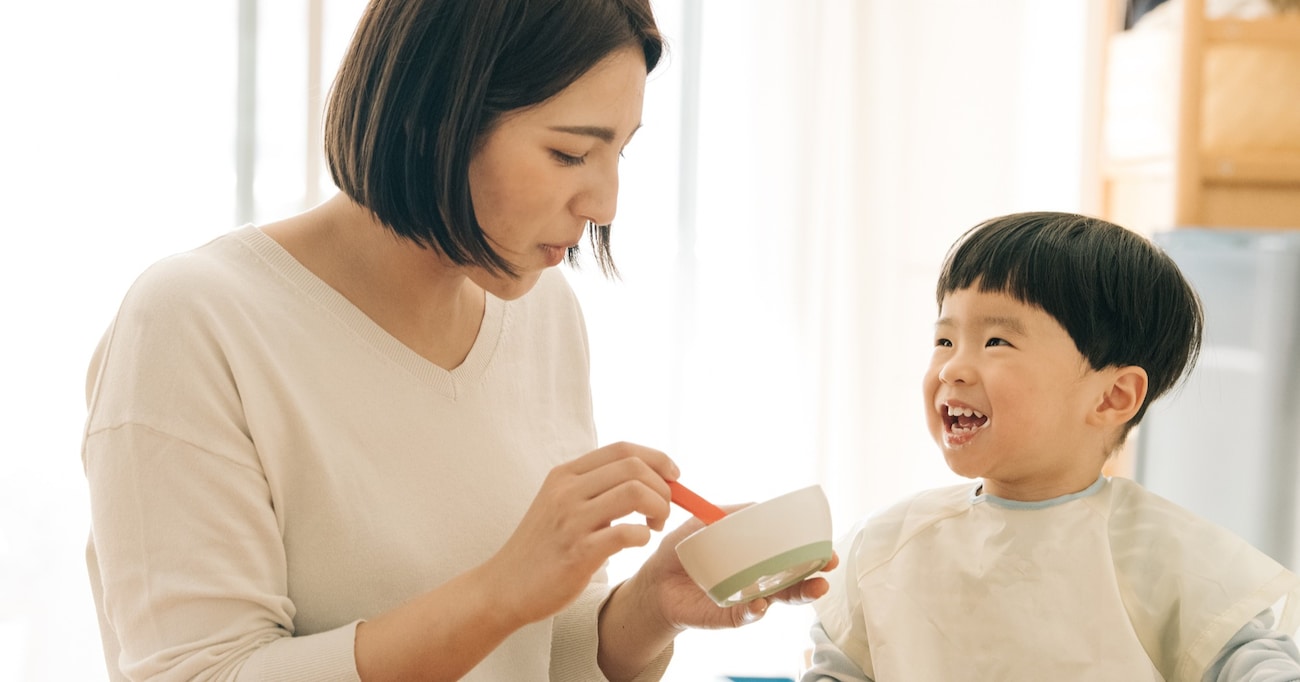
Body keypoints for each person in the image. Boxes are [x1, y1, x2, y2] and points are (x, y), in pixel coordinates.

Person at [80, 1, 833, 680]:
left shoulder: (544, 316)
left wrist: (648, 607)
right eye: (570, 153)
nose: (604, 203)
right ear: (435, 115)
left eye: (619, 153)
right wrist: (500, 589)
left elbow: (531, 654)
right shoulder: (194, 323)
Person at [801, 212, 1300, 681]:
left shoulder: (1166, 552)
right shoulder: (886, 545)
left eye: (996, 341)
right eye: (945, 341)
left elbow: (1254, 660)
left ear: (1111, 396)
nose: (952, 368)